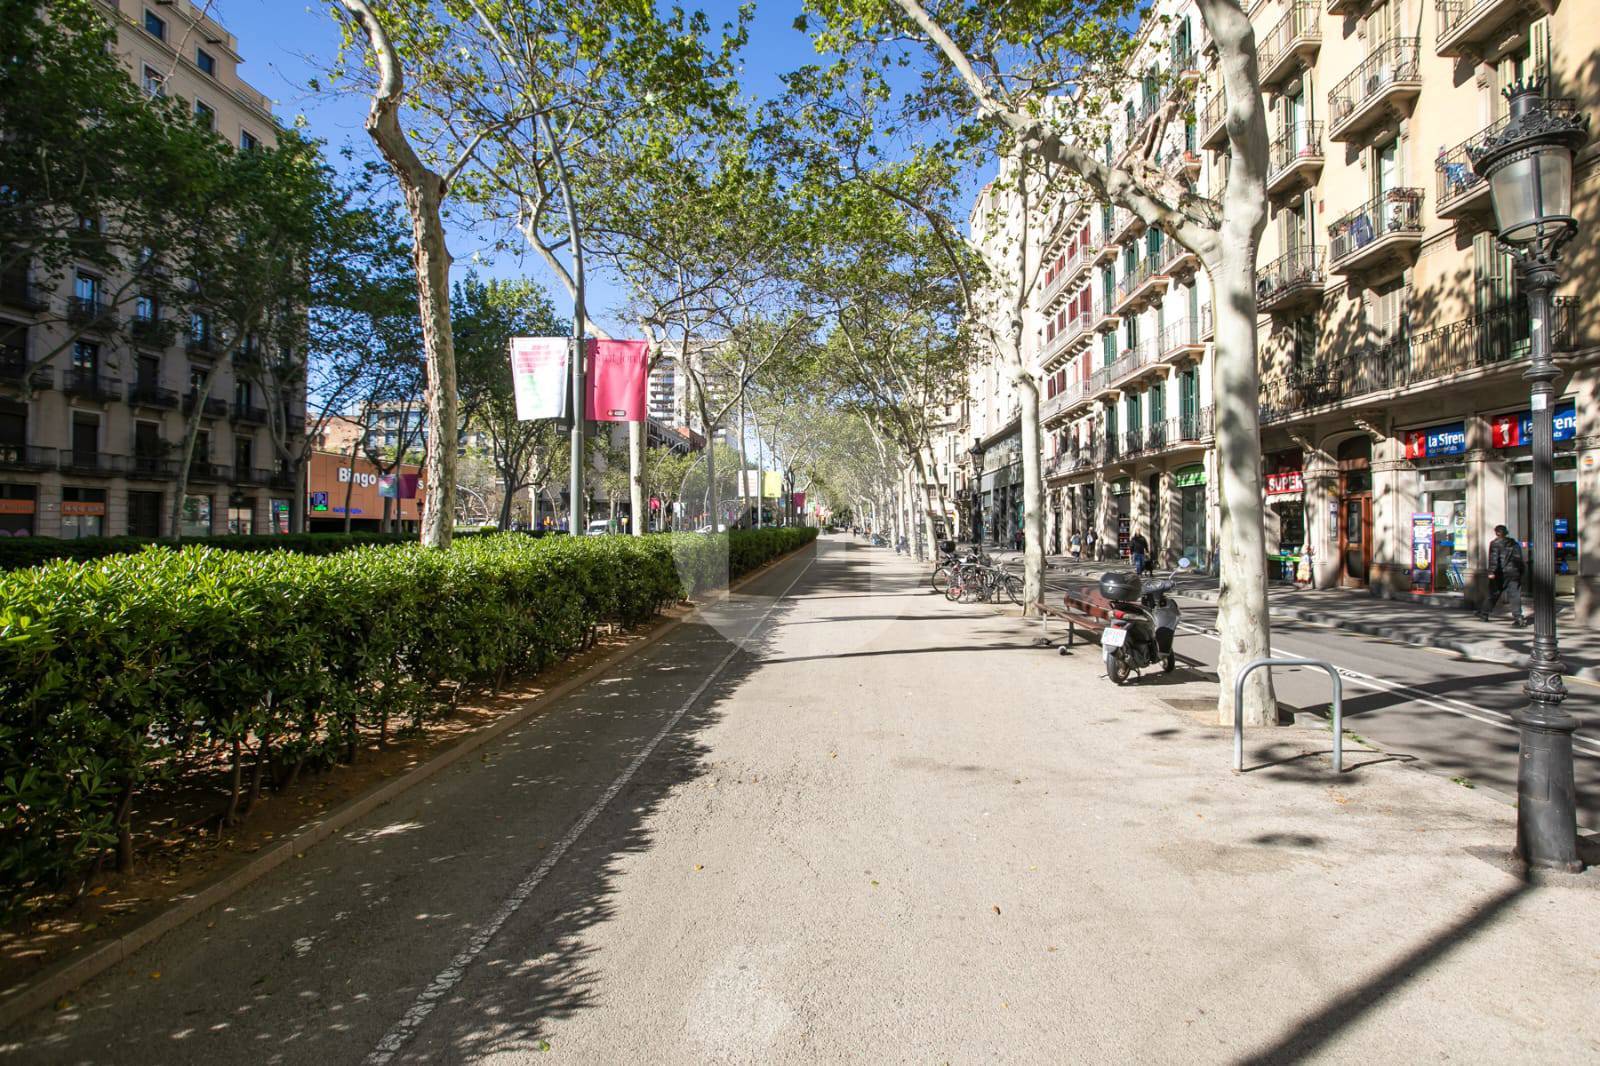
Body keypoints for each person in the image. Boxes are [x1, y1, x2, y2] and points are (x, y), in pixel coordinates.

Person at [1479, 524, 1527, 626]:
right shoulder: (1514, 544)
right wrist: (1520, 571)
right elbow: (1519, 559)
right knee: (1515, 595)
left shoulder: (1495, 543)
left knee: (1493, 594)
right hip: (1514, 573)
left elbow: (1494, 559)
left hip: (1501, 573)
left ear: (1497, 533)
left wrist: (1491, 572)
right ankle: (1518, 617)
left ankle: (1484, 613)